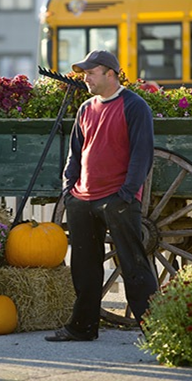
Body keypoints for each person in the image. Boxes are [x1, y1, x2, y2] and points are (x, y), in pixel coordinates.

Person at [45, 50, 158, 342]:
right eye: (84, 73)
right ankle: (82, 327)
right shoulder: (86, 107)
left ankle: (157, 330)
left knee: (133, 265)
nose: (85, 78)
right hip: (82, 199)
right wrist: (69, 189)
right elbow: (75, 152)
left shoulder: (135, 106)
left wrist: (126, 194)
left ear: (111, 73)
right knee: (84, 268)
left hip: (117, 200)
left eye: (91, 72)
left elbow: (142, 154)